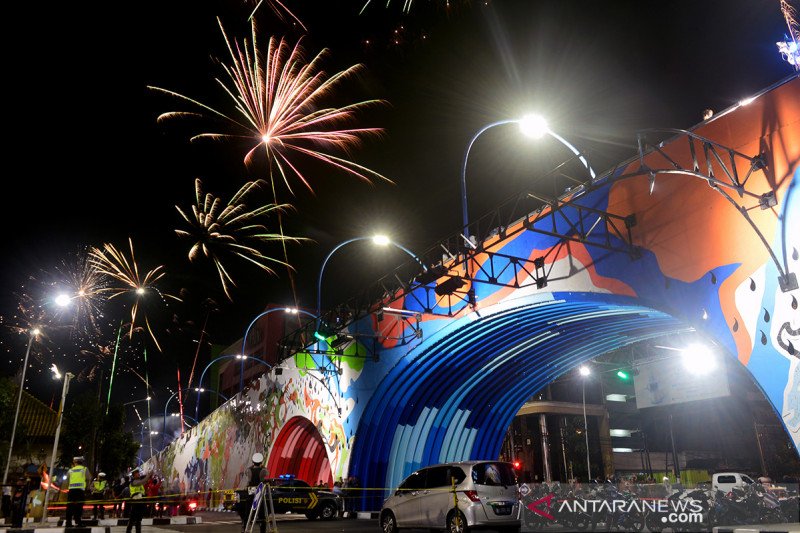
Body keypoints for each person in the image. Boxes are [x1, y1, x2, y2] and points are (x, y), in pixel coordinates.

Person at [236, 452, 269, 533]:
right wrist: (262, 466)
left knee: (248, 511)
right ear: (261, 461)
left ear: (253, 461)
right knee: (261, 512)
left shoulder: (249, 470)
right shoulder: (263, 470)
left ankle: (245, 528)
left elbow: (248, 475)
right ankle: (262, 530)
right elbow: (266, 474)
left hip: (250, 492)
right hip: (260, 492)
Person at [65, 456, 93, 527]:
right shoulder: (84, 469)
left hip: (71, 491)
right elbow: (89, 478)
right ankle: (78, 522)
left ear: (75, 462)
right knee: (79, 506)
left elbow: (67, 481)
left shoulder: (70, 470)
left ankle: (68, 522)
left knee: (70, 507)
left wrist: (69, 487)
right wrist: (87, 487)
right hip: (80, 491)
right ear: (81, 462)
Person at [126, 469, 152, 533]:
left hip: (140, 502)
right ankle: (128, 531)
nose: (139, 474)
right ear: (134, 475)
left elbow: (145, 482)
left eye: (138, 473)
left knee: (139, 519)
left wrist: (149, 476)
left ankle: (138, 532)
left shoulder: (139, 482)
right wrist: (149, 475)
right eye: (137, 473)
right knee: (132, 519)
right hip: (135, 502)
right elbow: (144, 481)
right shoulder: (134, 482)